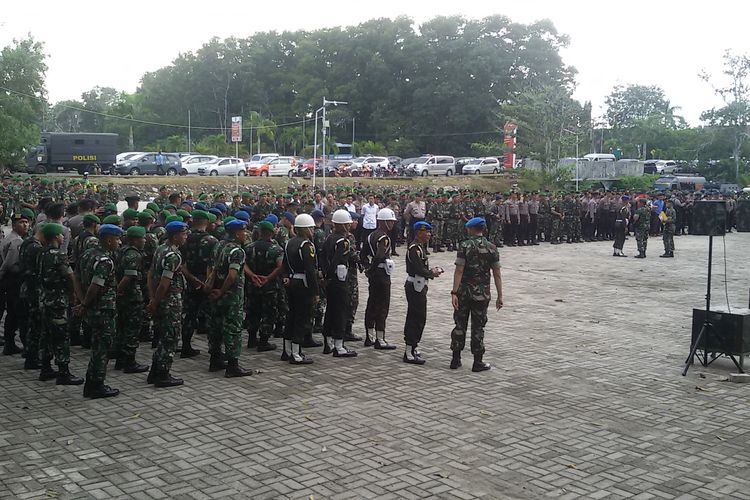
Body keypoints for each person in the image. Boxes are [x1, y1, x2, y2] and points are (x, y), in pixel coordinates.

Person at [449, 217, 503, 372]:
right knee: (478, 327)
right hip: (482, 294)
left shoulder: (464, 246)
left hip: (464, 292)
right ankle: (477, 362)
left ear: (471, 229)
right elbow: (497, 273)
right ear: (483, 229)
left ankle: (455, 358)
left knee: (460, 324)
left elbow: (459, 270)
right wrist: (500, 295)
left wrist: (454, 292)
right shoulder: (492, 247)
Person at [77, 224, 122, 398]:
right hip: (103, 310)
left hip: (93, 309)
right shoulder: (105, 261)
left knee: (97, 346)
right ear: (109, 240)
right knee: (102, 348)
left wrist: (82, 301)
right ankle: (96, 385)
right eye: (117, 239)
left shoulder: (87, 254)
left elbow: (76, 277)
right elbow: (96, 285)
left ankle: (92, 382)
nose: (119, 242)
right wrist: (85, 304)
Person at [37, 223, 85, 385]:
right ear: (56, 236)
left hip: (44, 299)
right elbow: (70, 277)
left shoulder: (41, 253)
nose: (63, 236)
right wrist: (73, 295)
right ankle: (64, 373)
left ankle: (45, 368)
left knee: (46, 334)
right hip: (58, 301)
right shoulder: (59, 255)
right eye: (61, 234)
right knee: (61, 336)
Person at [208, 219, 253, 377]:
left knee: (216, 326)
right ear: (236, 233)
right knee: (233, 328)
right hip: (231, 295)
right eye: (243, 231)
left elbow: (211, 268)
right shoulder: (237, 251)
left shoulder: (219, 245)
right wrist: (222, 290)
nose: (245, 234)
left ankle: (215, 359)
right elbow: (232, 275)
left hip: (216, 293)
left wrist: (213, 288)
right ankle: (233, 365)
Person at [147, 221, 189, 387]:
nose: (185, 237)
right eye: (184, 234)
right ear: (175, 236)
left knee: (164, 336)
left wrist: (152, 298)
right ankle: (163, 374)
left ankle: (155, 372)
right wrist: (155, 302)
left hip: (160, 298)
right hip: (169, 300)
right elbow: (165, 283)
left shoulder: (160, 249)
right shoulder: (172, 255)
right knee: (170, 336)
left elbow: (150, 274)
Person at [403, 221, 443, 365]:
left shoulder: (420, 247)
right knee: (415, 317)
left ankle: (413, 347)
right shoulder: (415, 249)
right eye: (426, 232)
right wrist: (432, 273)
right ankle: (409, 350)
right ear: (419, 233)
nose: (429, 234)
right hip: (415, 285)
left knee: (420, 317)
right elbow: (419, 269)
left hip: (419, 285)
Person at [320, 209, 358, 358]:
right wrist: (329, 275)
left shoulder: (329, 238)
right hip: (339, 279)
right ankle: (339, 345)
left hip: (330, 279)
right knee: (340, 311)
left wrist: (324, 274)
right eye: (347, 224)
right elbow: (336, 260)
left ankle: (328, 342)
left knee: (330, 310)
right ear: (340, 225)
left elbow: (322, 257)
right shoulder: (343, 241)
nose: (349, 227)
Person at [282, 213, 319, 364]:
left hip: (292, 282)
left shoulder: (289, 242)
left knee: (291, 316)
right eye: (310, 228)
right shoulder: (306, 245)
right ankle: (296, 354)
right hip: (303, 284)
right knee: (301, 318)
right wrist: (315, 291)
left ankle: (287, 350)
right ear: (303, 229)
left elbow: (284, 264)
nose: (312, 230)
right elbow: (310, 271)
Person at [112, 225, 150, 373]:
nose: (145, 240)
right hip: (132, 296)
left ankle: (121, 359)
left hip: (123, 297)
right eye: (142, 238)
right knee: (132, 330)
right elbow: (129, 276)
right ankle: (129, 361)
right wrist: (118, 291)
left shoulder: (121, 251)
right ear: (135, 239)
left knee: (122, 328)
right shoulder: (134, 255)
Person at [361, 207, 397, 349]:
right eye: (390, 221)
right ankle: (380, 339)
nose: (392, 224)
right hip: (381, 274)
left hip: (374, 275)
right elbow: (380, 255)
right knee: (382, 305)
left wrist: (367, 267)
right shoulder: (384, 238)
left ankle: (369, 336)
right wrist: (372, 269)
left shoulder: (370, 236)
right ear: (382, 221)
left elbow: (363, 255)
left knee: (372, 304)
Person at [244, 220, 282, 353]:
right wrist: (268, 278)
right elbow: (280, 267)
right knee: (269, 313)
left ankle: (252, 338)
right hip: (269, 286)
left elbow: (243, 264)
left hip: (252, 285)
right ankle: (264, 341)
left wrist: (252, 275)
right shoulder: (276, 249)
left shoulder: (249, 247)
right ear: (271, 233)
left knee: (253, 311)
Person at [0, 210, 30, 355]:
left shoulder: (11, 238)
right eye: (21, 223)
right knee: (17, 313)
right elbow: (10, 264)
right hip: (14, 280)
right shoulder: (16, 241)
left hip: (9, 280)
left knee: (12, 313)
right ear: (13, 225)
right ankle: (17, 344)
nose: (25, 225)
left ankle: (9, 344)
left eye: (26, 222)